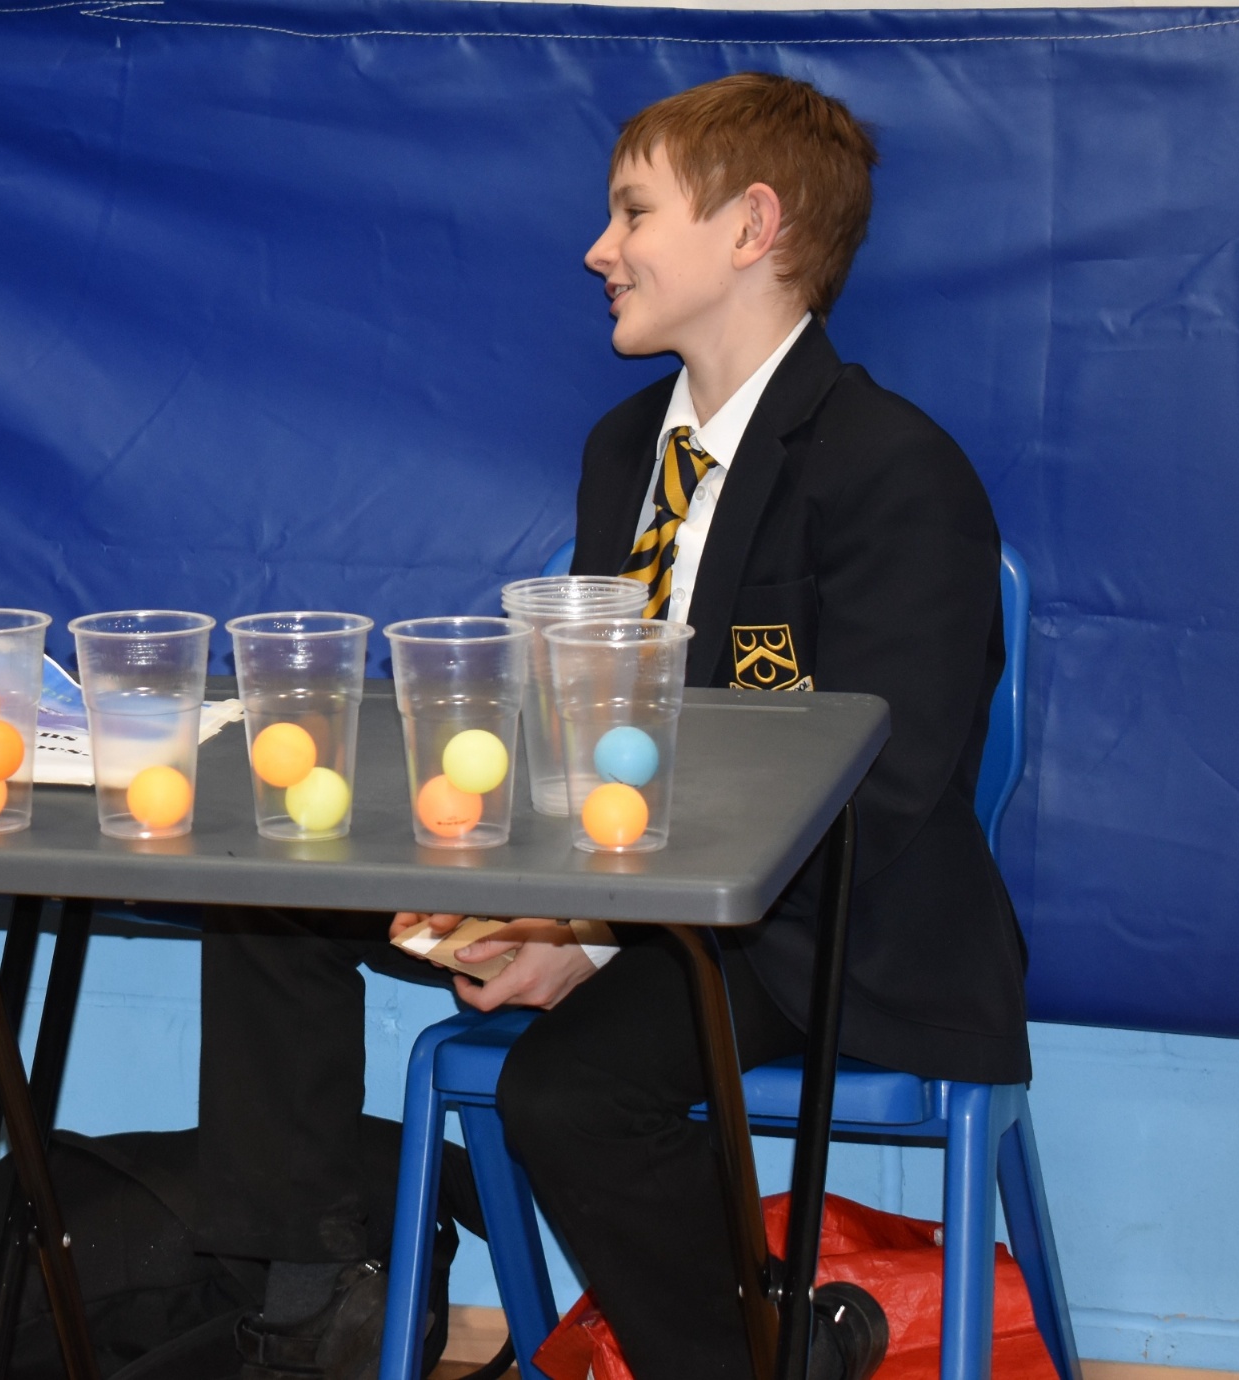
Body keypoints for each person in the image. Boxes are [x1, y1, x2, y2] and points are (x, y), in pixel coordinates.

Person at [204, 71, 1030, 1380]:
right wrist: (544, 914)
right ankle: (313, 1306)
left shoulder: (893, 470)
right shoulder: (623, 449)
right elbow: (582, 738)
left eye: (634, 212)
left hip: (820, 932)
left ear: (752, 226)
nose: (599, 249)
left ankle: (760, 1351)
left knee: (568, 1092)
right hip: (623, 894)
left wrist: (590, 941)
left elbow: (879, 792)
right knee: (266, 901)